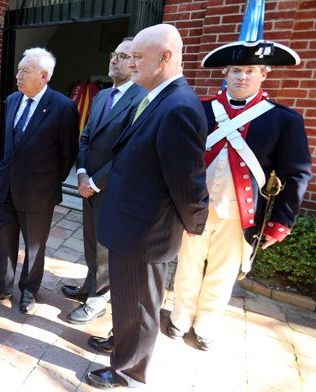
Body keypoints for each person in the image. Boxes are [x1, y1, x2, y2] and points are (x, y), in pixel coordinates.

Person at [85, 24, 209, 389]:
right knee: (127, 300)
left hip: (146, 233)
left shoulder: (179, 108)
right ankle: (122, 345)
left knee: (140, 307)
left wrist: (195, 224)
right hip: (130, 226)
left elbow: (188, 181)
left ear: (165, 57)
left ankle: (127, 372)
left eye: (138, 57)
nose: (132, 64)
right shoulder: (155, 97)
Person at [166, 40, 312, 350]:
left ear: (263, 74)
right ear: (226, 74)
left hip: (241, 213)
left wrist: (280, 222)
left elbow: (297, 173)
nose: (241, 77)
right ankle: (180, 316)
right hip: (195, 206)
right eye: (235, 70)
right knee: (188, 265)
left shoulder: (283, 119)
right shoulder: (200, 109)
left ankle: (205, 322)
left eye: (249, 70)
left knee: (223, 271)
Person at [0, 48, 79, 314]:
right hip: (8, 187)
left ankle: (29, 290)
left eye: (25, 71)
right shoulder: (12, 100)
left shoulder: (63, 107)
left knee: (34, 246)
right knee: (4, 241)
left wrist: (46, 183)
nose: (17, 75)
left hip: (39, 194)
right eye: (19, 69)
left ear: (43, 76)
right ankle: (1, 287)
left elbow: (68, 154)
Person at [61, 37, 146, 325]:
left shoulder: (141, 99)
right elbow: (85, 138)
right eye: (114, 54)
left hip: (113, 188)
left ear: (136, 63)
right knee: (90, 242)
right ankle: (89, 286)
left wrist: (97, 181)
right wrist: (82, 173)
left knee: (105, 246)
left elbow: (130, 150)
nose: (114, 60)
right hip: (89, 186)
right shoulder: (101, 96)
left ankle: (98, 299)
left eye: (122, 56)